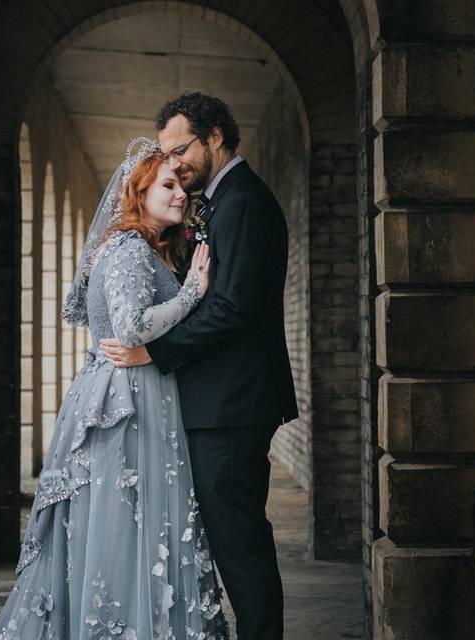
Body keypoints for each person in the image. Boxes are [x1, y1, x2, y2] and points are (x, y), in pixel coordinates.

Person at [0, 139, 229, 640]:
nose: (181, 194)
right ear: (136, 191)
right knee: (121, 523)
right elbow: (131, 327)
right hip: (122, 404)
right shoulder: (127, 249)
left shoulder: (148, 250)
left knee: (141, 525)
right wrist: (191, 294)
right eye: (167, 184)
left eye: (182, 184)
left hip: (140, 393)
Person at [99, 93, 298, 640]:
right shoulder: (219, 201)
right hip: (218, 403)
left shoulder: (244, 203)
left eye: (181, 149)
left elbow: (233, 308)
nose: (175, 162)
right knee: (231, 539)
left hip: (232, 406)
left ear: (214, 137)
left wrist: (153, 353)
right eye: (166, 153)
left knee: (240, 543)